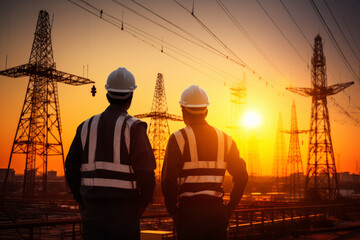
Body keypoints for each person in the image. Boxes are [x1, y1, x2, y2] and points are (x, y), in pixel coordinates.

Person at [65, 67, 156, 240]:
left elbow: (71, 168)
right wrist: (141, 205)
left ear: (107, 95)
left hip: (92, 213)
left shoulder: (85, 126)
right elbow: (146, 173)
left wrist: (81, 200)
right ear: (130, 98)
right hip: (125, 214)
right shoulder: (134, 128)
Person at [161, 85, 248, 240]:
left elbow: (168, 180)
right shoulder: (226, 139)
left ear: (183, 111)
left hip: (189, 214)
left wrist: (175, 213)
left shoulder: (178, 139)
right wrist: (229, 209)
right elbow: (242, 177)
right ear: (206, 111)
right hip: (216, 213)